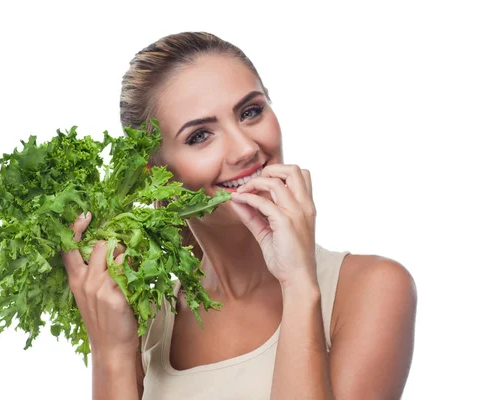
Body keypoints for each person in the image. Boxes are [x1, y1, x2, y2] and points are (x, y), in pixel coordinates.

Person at [61, 32, 417, 400]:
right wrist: (112, 355)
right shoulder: (146, 319)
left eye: (251, 112)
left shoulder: (371, 289)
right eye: (200, 136)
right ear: (157, 174)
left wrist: (297, 282)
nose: (246, 148)